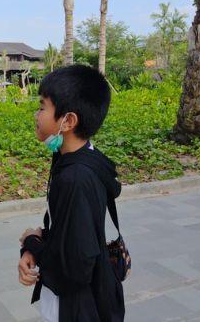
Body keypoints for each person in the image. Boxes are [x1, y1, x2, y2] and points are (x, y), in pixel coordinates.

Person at [18, 65, 124, 322]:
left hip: (77, 307)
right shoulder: (80, 159)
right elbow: (70, 230)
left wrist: (32, 243)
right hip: (95, 296)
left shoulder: (74, 178)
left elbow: (75, 265)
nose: (36, 114)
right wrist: (35, 244)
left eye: (42, 107)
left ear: (68, 121)